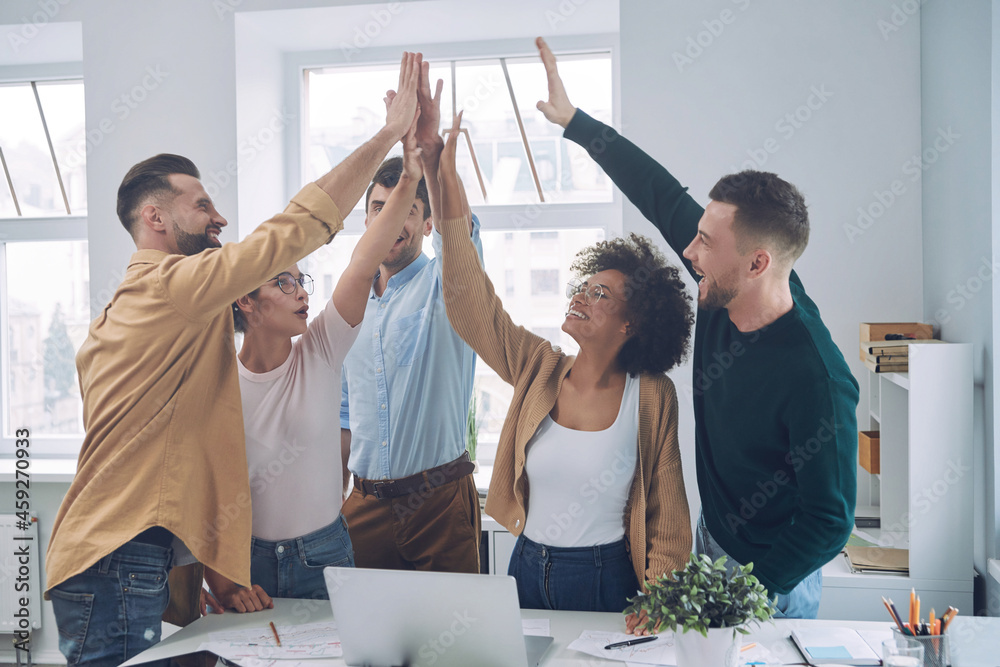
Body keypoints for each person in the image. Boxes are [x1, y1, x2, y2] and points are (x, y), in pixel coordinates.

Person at [44, 52, 422, 666]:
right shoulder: (174, 287)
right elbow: (294, 228)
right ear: (155, 217)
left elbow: (172, 456)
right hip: (120, 555)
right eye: (202, 206)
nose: (219, 219)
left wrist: (216, 567)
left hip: (117, 553)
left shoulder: (134, 317)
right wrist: (387, 136)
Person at [533, 37, 859, 622]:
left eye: (705, 243)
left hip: (772, 580)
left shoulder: (816, 376)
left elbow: (830, 520)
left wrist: (752, 595)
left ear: (758, 263)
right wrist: (575, 122)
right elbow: (658, 192)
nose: (689, 250)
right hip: (712, 541)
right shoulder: (722, 280)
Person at [430, 111, 694, 612]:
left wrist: (663, 602)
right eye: (584, 287)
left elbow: (666, 515)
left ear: (630, 325)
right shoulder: (539, 367)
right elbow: (472, 308)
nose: (581, 297)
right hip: (527, 566)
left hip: (606, 576)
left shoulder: (653, 395)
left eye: (601, 294)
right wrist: (443, 180)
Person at [200, 112, 425, 608]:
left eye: (302, 281)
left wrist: (409, 174)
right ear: (246, 301)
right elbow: (205, 494)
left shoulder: (321, 349)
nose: (300, 291)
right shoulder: (216, 382)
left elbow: (364, 259)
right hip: (248, 563)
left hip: (325, 554)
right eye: (283, 282)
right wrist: (220, 581)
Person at [339, 64, 483, 574]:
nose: (390, 221)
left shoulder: (447, 286)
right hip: (363, 506)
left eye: (404, 209)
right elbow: (344, 418)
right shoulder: (349, 303)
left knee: (450, 650)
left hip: (438, 503)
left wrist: (431, 160)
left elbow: (458, 236)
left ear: (425, 221)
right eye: (378, 208)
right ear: (365, 220)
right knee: (358, 646)